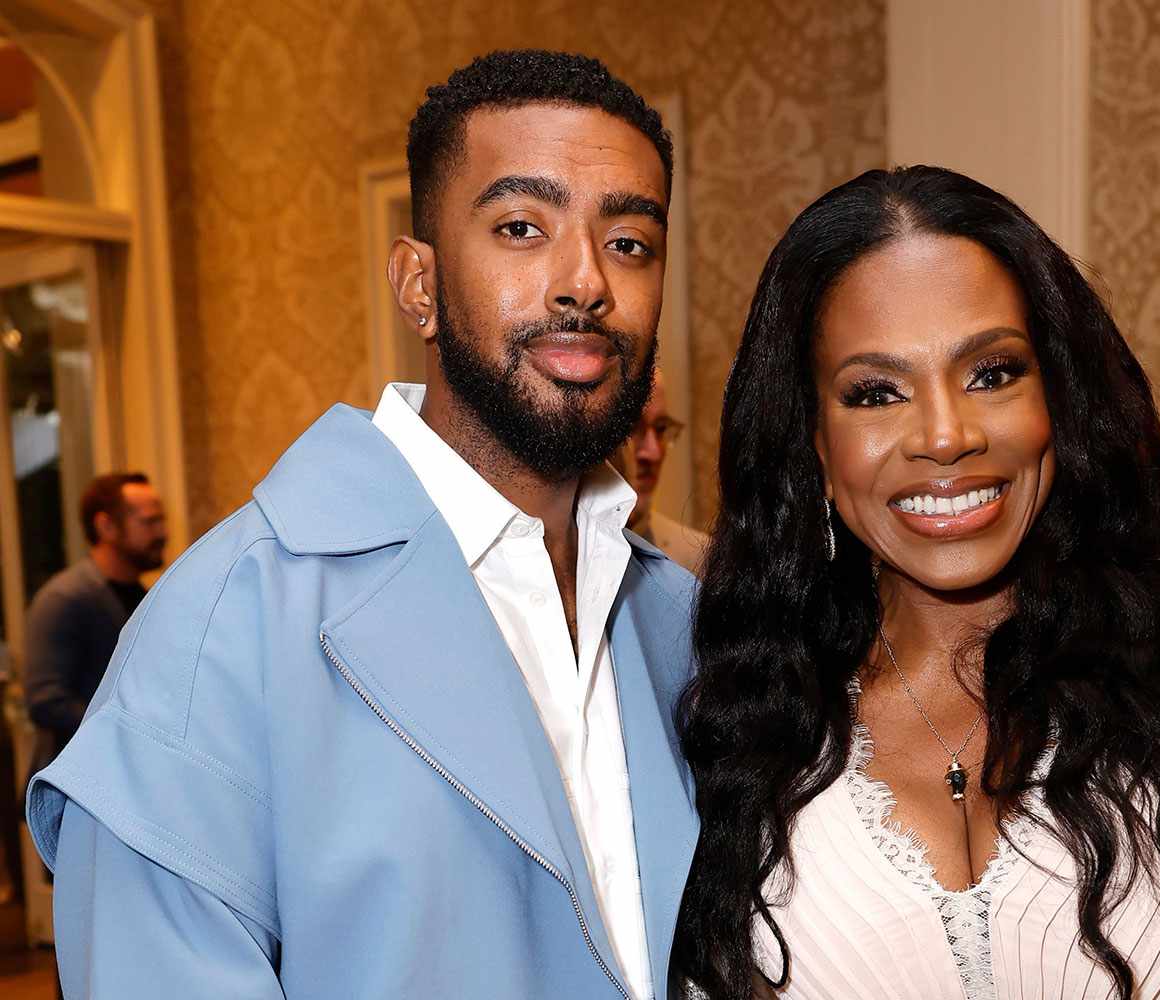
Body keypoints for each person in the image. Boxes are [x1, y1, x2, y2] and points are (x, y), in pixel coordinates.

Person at [27, 50, 697, 999]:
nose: (584, 281)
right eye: (520, 227)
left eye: (629, 242)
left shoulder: (680, 617)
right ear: (417, 285)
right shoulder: (220, 632)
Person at [673, 167, 1160, 999]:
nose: (945, 436)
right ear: (811, 442)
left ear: (1060, 392)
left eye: (992, 373)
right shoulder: (749, 720)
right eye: (876, 392)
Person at [24, 472, 166, 778]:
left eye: (161, 520)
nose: (162, 532)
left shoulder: (148, 598)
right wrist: (133, 725)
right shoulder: (63, 598)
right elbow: (45, 702)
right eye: (149, 522)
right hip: (78, 787)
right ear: (106, 526)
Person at [624, 376, 708, 573]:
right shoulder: (547, 554)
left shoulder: (698, 562)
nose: (653, 453)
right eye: (634, 428)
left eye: (661, 429)